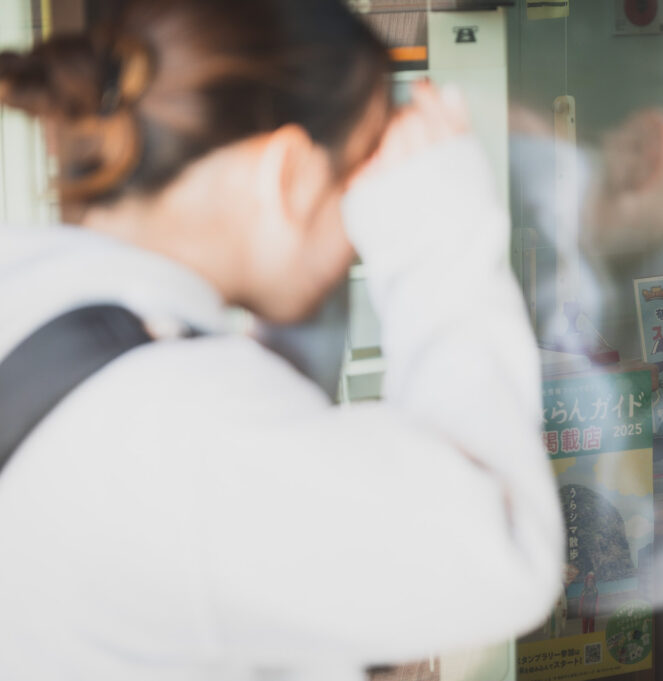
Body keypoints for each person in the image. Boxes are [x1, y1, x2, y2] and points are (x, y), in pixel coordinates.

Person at [0, 1, 563, 679]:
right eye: (355, 183)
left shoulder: (51, 309)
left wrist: (301, 316)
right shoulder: (183, 430)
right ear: (291, 174)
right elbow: (503, 558)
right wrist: (440, 240)